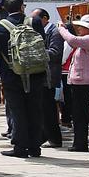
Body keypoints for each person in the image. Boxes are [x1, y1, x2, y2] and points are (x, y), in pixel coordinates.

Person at [0, 0, 46, 158]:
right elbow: (43, 43)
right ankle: (35, 147)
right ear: (22, 7)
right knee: (35, 109)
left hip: (11, 75)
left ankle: (19, 147)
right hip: (35, 73)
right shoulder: (35, 22)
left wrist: (0, 68)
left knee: (17, 110)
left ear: (5, 9)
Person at [58, 14, 89, 153]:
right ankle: (79, 143)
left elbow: (72, 40)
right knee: (78, 115)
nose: (79, 28)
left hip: (87, 83)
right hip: (79, 82)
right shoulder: (86, 41)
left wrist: (62, 29)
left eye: (82, 26)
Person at [33, 8, 63, 148]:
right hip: (43, 75)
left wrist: (35, 52)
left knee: (49, 108)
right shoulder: (41, 32)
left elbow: (55, 52)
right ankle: (46, 136)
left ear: (45, 18)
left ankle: (54, 138)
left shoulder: (55, 32)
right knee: (43, 108)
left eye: (36, 19)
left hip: (50, 76)